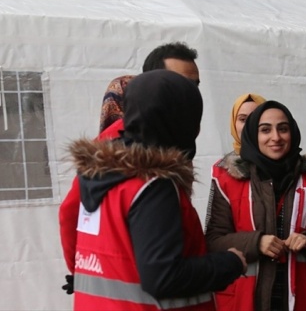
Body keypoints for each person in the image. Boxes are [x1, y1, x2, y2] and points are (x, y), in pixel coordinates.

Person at [66, 70, 246, 310]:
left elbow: (69, 221)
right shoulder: (152, 185)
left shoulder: (99, 176)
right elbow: (163, 277)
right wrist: (230, 262)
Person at [59, 41, 201, 293]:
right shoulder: (120, 140)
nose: (188, 92)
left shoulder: (171, 138)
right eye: (178, 81)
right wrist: (81, 270)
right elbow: (72, 211)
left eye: (194, 85)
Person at [205, 100, 306, 311]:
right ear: (253, 135)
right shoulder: (228, 182)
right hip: (244, 301)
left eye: (283, 129)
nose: (276, 137)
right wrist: (256, 242)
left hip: (302, 300)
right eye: (265, 130)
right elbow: (213, 241)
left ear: (293, 132)